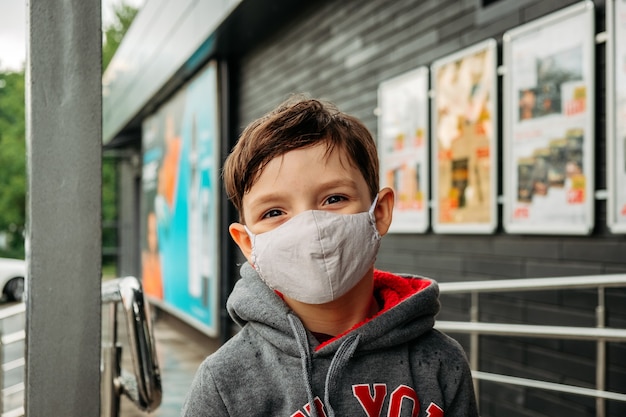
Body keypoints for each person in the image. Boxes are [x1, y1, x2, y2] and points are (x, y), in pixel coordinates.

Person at [181, 97, 479, 417]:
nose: (310, 227)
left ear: (378, 213)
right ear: (248, 243)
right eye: (274, 212)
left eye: (334, 198)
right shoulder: (225, 381)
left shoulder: (442, 364)